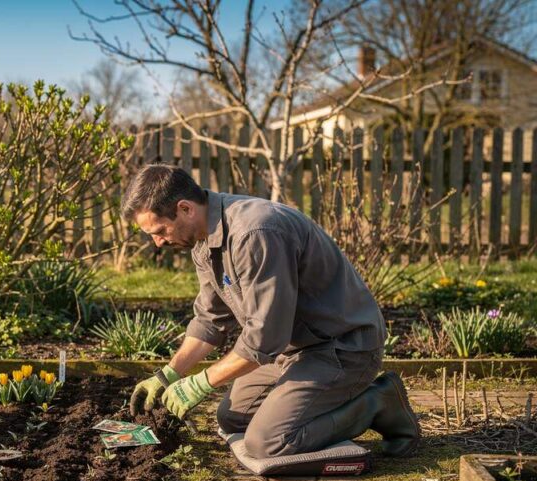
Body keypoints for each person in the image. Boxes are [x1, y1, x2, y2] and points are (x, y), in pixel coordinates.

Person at [126, 164, 420, 459]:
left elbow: (265, 336)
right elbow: (209, 320)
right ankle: (315, 404)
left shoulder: (254, 233)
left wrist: (201, 381)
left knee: (268, 442)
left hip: (342, 348)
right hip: (292, 350)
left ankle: (378, 402)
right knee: (232, 418)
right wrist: (168, 374)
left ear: (185, 208)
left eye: (160, 231)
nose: (158, 242)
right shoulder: (203, 240)